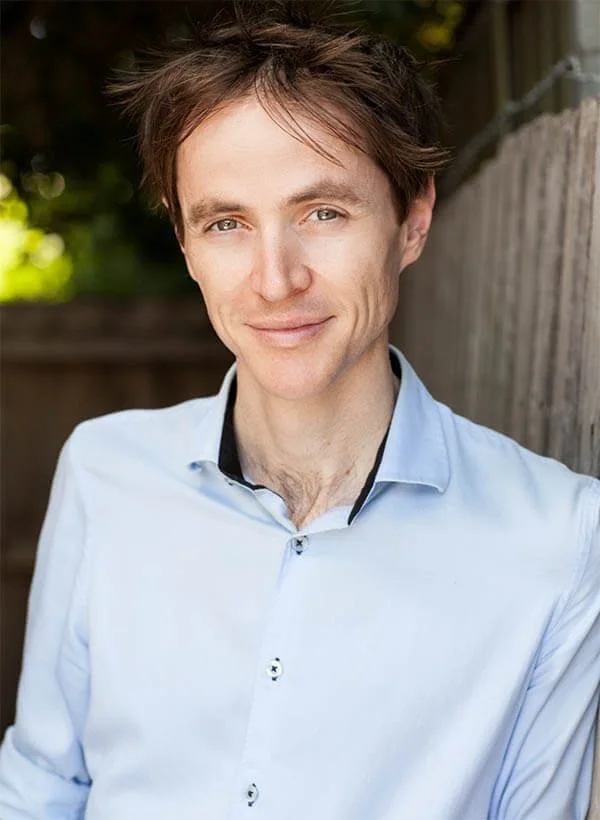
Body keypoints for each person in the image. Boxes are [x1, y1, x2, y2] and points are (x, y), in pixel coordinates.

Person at [1, 2, 599, 818]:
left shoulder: (558, 539)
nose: (275, 280)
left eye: (323, 212)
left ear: (412, 219)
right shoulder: (104, 473)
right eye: (227, 223)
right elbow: (41, 784)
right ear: (184, 241)